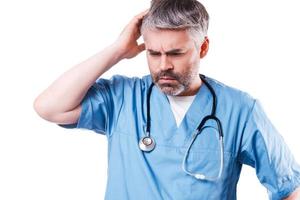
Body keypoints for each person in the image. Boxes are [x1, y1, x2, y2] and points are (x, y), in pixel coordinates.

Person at [33, 0, 300, 199]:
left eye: (175, 53)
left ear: (202, 47)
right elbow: (49, 107)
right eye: (153, 53)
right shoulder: (123, 99)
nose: (163, 66)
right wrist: (117, 50)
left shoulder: (240, 111)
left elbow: (289, 187)